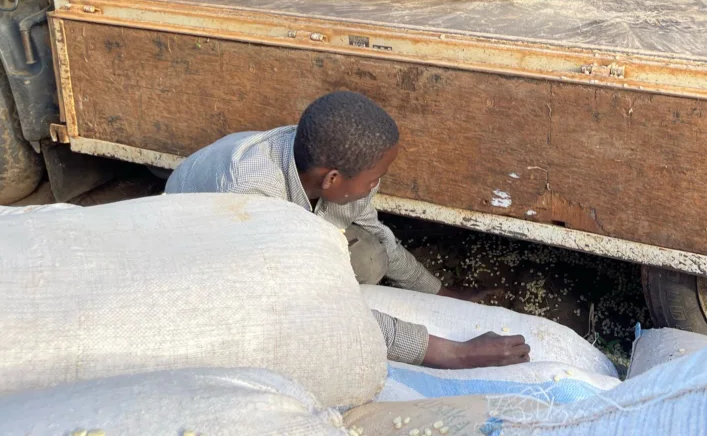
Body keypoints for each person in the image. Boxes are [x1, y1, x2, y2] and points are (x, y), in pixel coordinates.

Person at [165, 91, 531, 370]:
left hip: (274, 225)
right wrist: (451, 352)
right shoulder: (250, 199)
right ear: (333, 179)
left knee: (371, 259)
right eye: (376, 178)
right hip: (203, 242)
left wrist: (438, 291)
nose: (377, 185)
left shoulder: (325, 163)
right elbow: (310, 305)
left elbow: (378, 232)